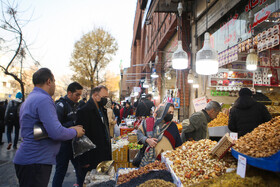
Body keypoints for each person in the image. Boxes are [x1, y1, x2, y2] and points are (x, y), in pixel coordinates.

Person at [13, 68, 85, 187]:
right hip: (36, 162)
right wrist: (74, 131)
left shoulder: (31, 98)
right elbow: (56, 132)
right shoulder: (44, 99)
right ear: (48, 81)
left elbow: (37, 130)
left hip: (30, 160)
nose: (55, 85)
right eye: (54, 81)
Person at [75, 85, 111, 186]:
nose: (106, 100)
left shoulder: (102, 110)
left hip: (102, 154)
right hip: (91, 157)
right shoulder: (84, 111)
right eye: (104, 97)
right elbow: (81, 138)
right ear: (95, 95)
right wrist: (84, 160)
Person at [52, 82, 83, 187]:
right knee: (61, 171)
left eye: (80, 95)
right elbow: (56, 127)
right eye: (77, 95)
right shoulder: (60, 105)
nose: (79, 97)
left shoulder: (76, 105)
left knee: (79, 169)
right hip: (63, 146)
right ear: (69, 93)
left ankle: (80, 184)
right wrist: (73, 126)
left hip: (74, 144)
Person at [137, 102, 182, 167]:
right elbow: (139, 133)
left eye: (172, 112)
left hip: (168, 162)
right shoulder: (148, 122)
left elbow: (178, 144)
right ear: (161, 112)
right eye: (169, 112)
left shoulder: (172, 126)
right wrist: (147, 140)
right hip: (150, 160)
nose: (171, 114)